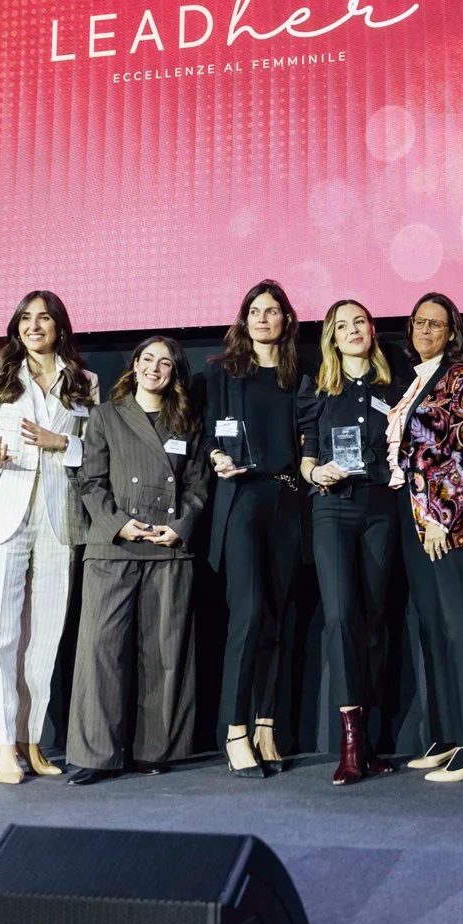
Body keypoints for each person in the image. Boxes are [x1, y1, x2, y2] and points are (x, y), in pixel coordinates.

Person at [65, 336, 213, 785]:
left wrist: (182, 526)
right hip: (113, 546)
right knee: (100, 651)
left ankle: (154, 750)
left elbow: (198, 485)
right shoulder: (106, 416)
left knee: (165, 652)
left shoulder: (186, 422)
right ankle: (95, 755)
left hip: (167, 548)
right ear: (134, 365)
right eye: (148, 359)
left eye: (165, 362)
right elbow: (90, 481)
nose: (154, 368)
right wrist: (118, 524)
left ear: (175, 373)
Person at [0, 290, 98, 786]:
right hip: (4, 509)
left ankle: (31, 738)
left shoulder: (85, 381)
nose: (34, 326)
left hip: (60, 514)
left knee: (46, 636)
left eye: (44, 318)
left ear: (59, 326)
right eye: (26, 318)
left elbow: (96, 450)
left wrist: (61, 442)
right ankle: (2, 742)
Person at [391, 291, 463, 783]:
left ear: (452, 332)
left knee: (461, 623)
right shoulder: (416, 380)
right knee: (434, 624)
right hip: (413, 514)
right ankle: (451, 731)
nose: (425, 330)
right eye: (419, 322)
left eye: (435, 324)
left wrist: (442, 515)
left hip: (448, 519)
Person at [299, 299, 405, 785]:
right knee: (341, 616)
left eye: (359, 321)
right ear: (332, 338)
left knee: (376, 619)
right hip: (333, 507)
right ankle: (349, 746)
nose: (352, 330)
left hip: (381, 509)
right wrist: (314, 471)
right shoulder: (317, 388)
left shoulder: (394, 387)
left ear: (372, 329)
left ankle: (371, 742)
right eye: (342, 326)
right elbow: (307, 454)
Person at [204, 280, 308, 777]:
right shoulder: (222, 372)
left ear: (286, 320)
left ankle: (266, 724)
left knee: (277, 619)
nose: (263, 319)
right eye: (255, 311)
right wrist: (216, 456)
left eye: (272, 311)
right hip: (242, 498)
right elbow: (207, 431)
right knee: (246, 615)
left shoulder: (299, 376)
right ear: (244, 320)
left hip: (287, 498)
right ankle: (234, 730)